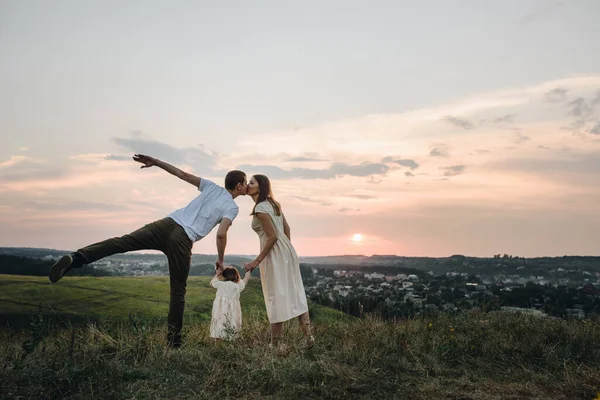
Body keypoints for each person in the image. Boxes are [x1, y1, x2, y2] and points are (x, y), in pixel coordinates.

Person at [48, 154, 248, 347]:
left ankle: (76, 259)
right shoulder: (232, 207)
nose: (247, 186)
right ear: (238, 186)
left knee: (122, 242)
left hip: (166, 224)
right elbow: (221, 234)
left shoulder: (211, 187)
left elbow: (183, 175)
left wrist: (156, 162)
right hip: (183, 239)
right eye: (245, 182)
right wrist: (221, 261)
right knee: (178, 291)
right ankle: (173, 343)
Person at [244, 174, 314, 348]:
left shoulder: (260, 208)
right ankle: (308, 338)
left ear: (260, 187)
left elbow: (272, 236)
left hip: (274, 253)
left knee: (275, 295)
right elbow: (286, 229)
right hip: (287, 251)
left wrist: (256, 261)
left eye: (251, 182)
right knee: (295, 292)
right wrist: (287, 250)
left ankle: (276, 344)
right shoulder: (274, 204)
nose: (247, 184)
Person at [209, 266, 251, 340]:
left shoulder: (220, 284)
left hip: (220, 310)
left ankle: (217, 344)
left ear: (224, 275)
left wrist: (217, 274)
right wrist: (248, 270)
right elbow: (246, 279)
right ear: (236, 275)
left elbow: (212, 283)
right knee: (232, 322)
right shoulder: (237, 286)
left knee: (219, 323)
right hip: (233, 310)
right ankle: (231, 339)